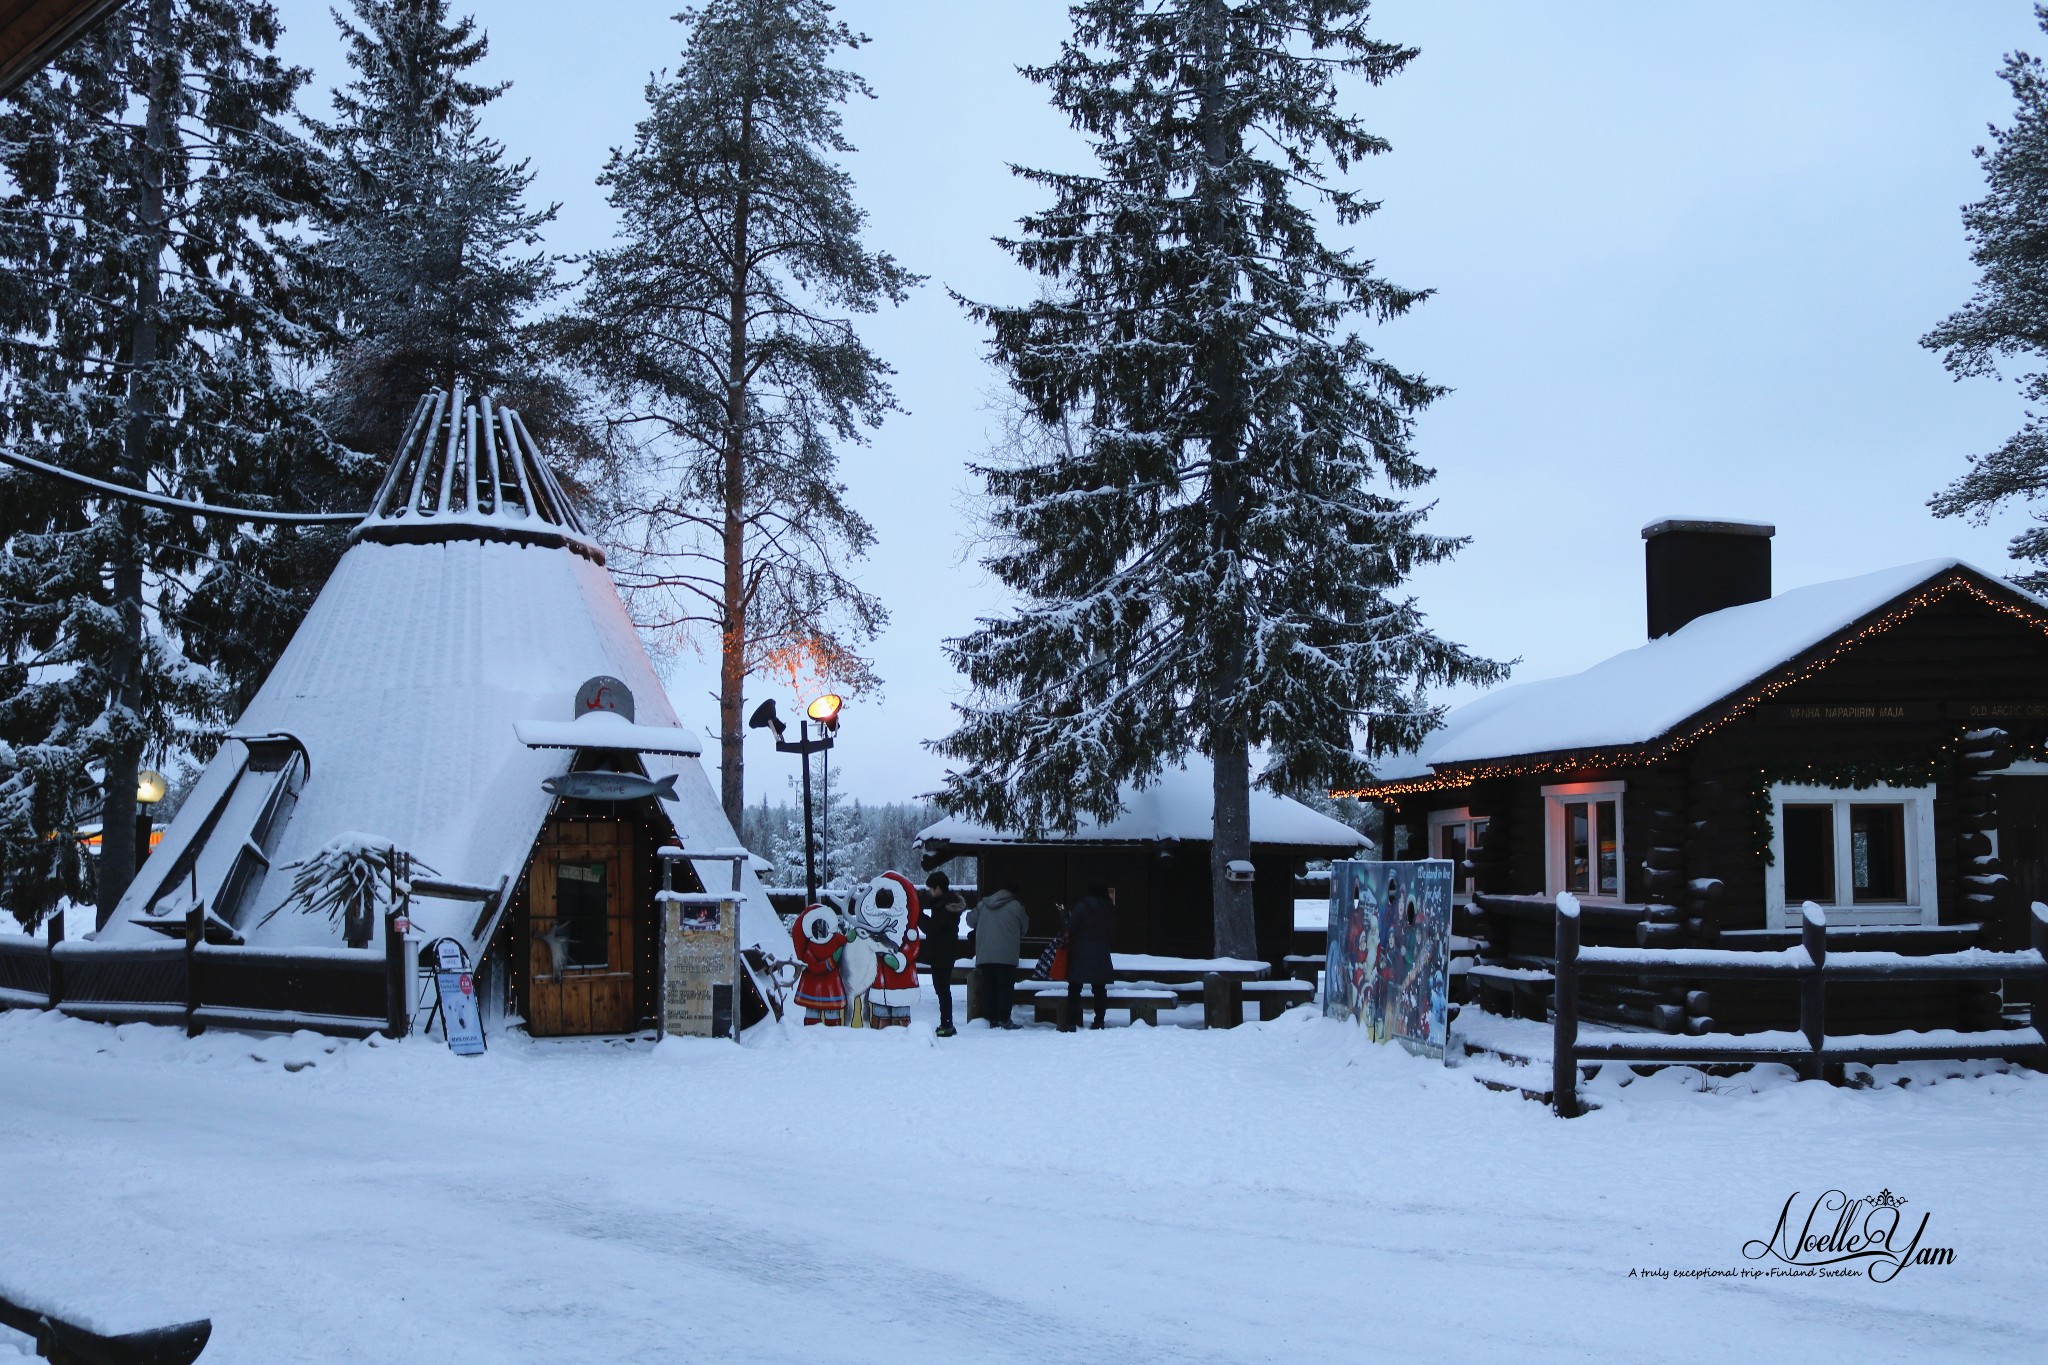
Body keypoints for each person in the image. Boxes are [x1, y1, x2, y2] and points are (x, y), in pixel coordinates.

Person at [966, 884, 1028, 1029]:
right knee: (1005, 988)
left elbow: (969, 921)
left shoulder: (983, 905)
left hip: (985, 955)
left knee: (989, 987)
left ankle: (992, 1018)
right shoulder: (1017, 906)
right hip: (1007, 955)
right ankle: (1004, 1018)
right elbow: (1024, 929)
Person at [1062, 884, 1116, 1030]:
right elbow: (1112, 930)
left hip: (1081, 952)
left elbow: (1070, 927)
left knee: (1074, 988)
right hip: (1101, 951)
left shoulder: (1081, 907)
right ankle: (1099, 1021)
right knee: (1099, 988)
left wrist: (1065, 917)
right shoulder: (1109, 908)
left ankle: (1071, 1022)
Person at [921, 871, 966, 1037]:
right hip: (944, 953)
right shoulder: (945, 904)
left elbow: (932, 928)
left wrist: (918, 916)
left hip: (941, 954)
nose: (930, 892)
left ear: (938, 888)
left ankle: (947, 1023)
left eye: (931, 889)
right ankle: (946, 1022)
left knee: (942, 990)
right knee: (942, 990)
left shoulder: (944, 907)